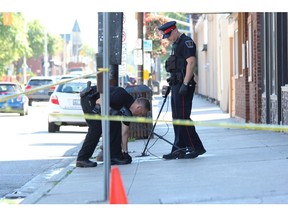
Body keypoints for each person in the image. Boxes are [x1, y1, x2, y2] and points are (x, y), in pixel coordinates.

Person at [158, 20, 206, 159]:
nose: (167, 39)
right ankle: (179, 148)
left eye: (168, 35)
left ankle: (196, 147)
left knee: (183, 118)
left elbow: (191, 62)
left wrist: (185, 84)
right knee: (177, 118)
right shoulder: (176, 44)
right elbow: (176, 67)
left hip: (184, 85)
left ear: (174, 30)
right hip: (176, 85)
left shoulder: (186, 42)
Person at [76, 83, 151, 167]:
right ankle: (82, 158)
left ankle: (114, 157)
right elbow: (99, 101)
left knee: (116, 125)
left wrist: (125, 152)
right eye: (141, 113)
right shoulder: (121, 95)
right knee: (96, 129)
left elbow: (124, 133)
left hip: (100, 104)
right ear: (138, 107)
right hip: (90, 98)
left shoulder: (128, 112)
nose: (139, 115)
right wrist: (111, 110)